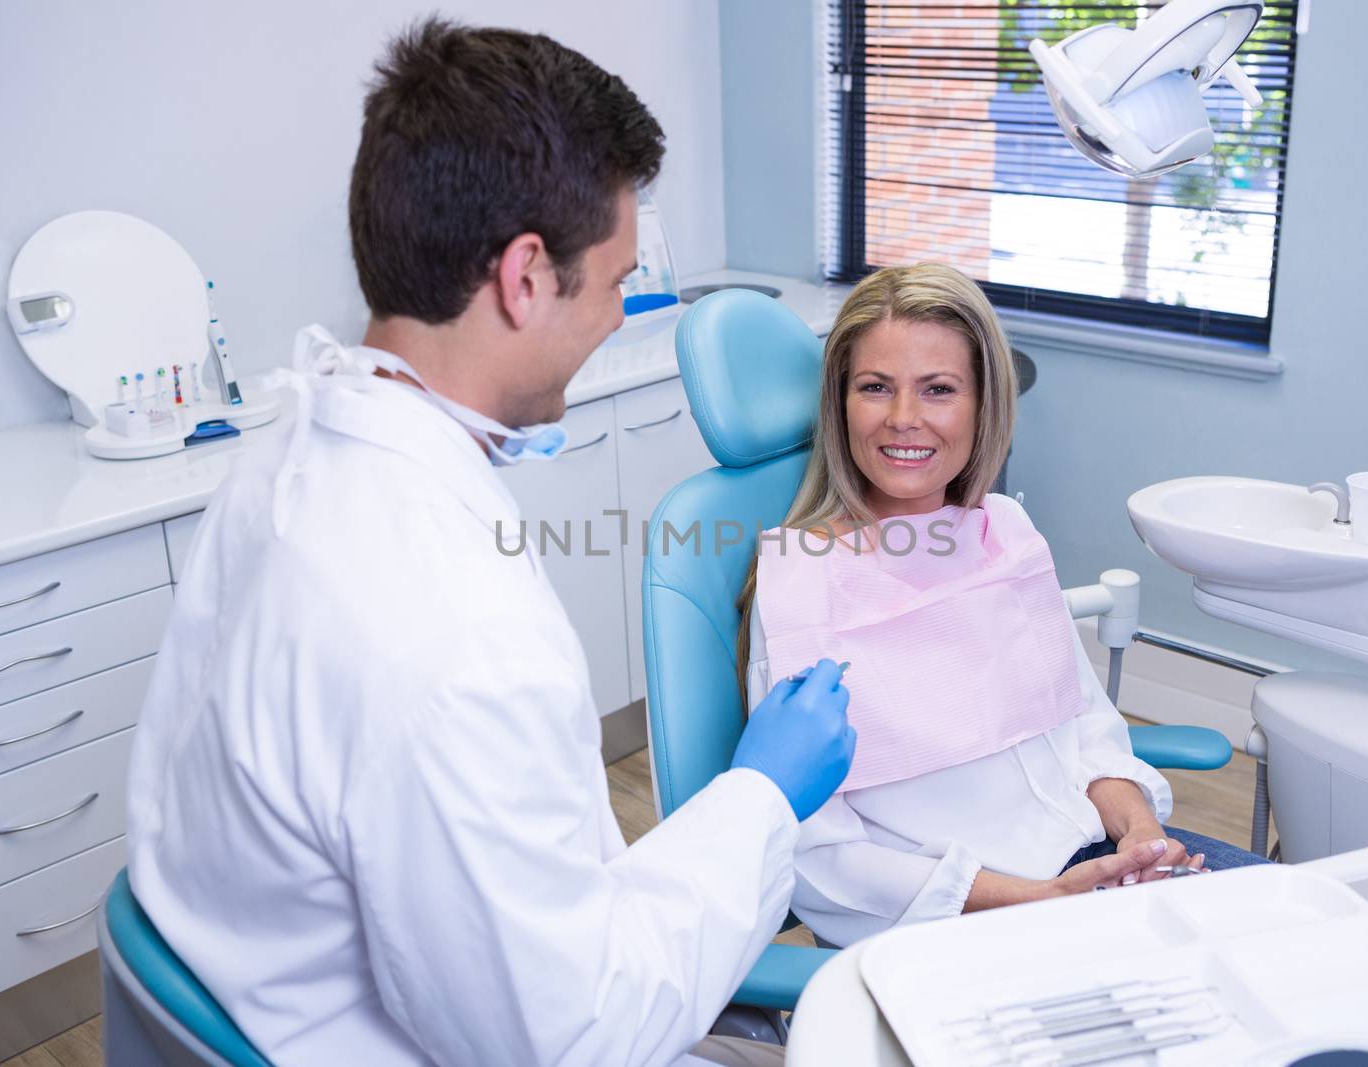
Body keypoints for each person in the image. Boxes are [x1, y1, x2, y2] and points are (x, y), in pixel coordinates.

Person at [126, 21, 853, 1067]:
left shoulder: (292, 452)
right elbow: (573, 1036)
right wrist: (766, 796)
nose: (618, 313)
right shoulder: (453, 635)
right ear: (523, 277)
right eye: (612, 279)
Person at [738, 264, 1266, 949]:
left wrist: (1141, 835)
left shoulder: (1005, 531)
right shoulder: (803, 581)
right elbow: (819, 857)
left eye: (939, 389)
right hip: (953, 920)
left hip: (1090, 864)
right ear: (840, 404)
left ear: (983, 405)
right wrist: (1042, 900)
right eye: (875, 387)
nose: (904, 418)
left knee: (1298, 937)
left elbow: (1082, 725)